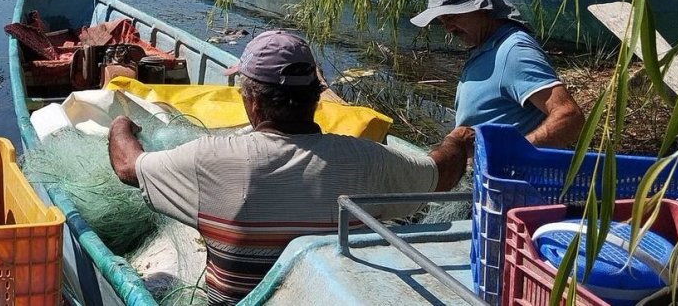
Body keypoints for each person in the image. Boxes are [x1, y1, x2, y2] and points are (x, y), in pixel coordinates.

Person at [108, 30, 474, 306]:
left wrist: (121, 125)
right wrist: (455, 143)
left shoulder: (209, 159)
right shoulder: (368, 160)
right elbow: (440, 175)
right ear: (316, 98)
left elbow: (128, 167)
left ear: (251, 101)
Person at [411, 0, 584, 148]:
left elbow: (570, 116)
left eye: (452, 17)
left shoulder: (514, 51)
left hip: (507, 173)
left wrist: (511, 156)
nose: (448, 28)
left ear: (482, 8)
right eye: (443, 20)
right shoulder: (486, 46)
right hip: (479, 173)